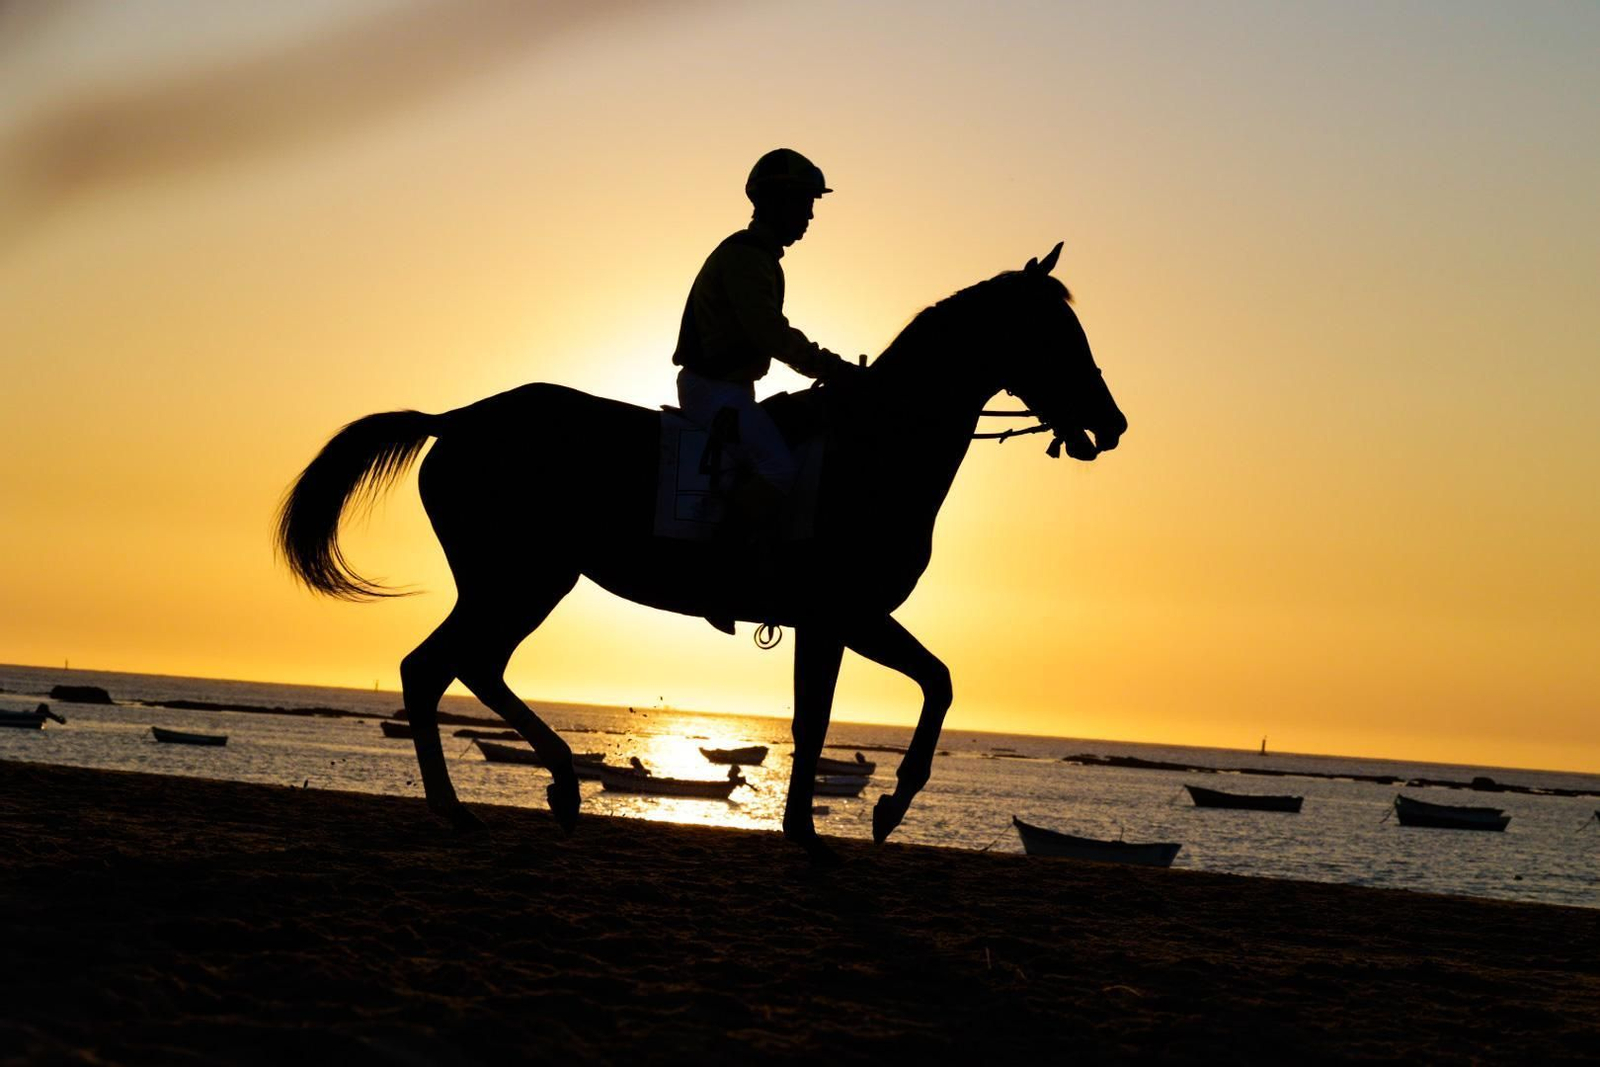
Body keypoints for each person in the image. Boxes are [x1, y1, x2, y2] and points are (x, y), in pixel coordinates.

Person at [672, 148, 857, 521]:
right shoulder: (746, 258)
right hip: (715, 392)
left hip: (732, 391)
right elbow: (769, 332)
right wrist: (830, 367)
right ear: (779, 202)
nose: (810, 214)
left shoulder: (757, 256)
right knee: (778, 471)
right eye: (804, 203)